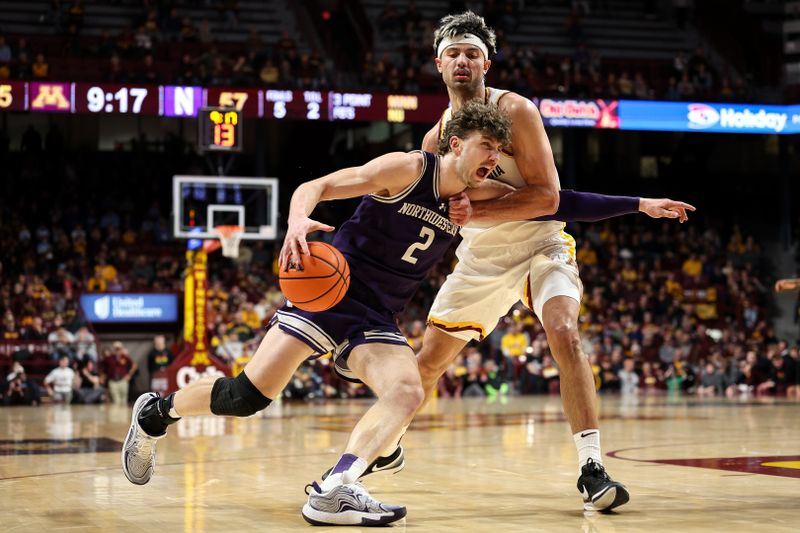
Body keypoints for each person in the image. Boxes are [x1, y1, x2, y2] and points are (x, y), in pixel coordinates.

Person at [334, 11, 695, 514]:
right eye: (453, 53)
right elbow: (429, 225)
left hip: (541, 242)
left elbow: (548, 197)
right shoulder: (434, 144)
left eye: (472, 52)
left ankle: (592, 467)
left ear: (487, 61)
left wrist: (478, 209)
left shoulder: (516, 111)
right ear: (439, 64)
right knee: (427, 364)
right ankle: (387, 446)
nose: (463, 60)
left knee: (564, 331)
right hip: (482, 255)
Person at [123, 101, 515, 526]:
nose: (495, 158)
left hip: (376, 316)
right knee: (245, 397)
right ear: (456, 144)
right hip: (329, 293)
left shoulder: (477, 198)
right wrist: (296, 222)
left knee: (408, 391)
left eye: (499, 150)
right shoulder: (408, 169)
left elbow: (553, 200)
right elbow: (318, 185)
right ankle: (154, 413)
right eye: (487, 146)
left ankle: (337, 487)